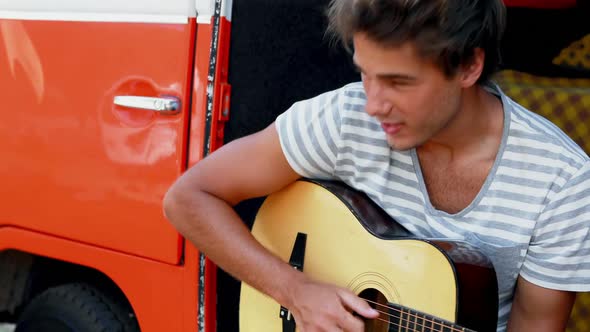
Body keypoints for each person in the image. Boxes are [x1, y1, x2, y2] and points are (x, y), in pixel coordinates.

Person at [163, 0, 590, 331]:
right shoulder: (344, 118)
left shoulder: (562, 182)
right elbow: (189, 198)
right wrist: (296, 292)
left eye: (398, 82)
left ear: (468, 66)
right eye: (367, 74)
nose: (373, 104)